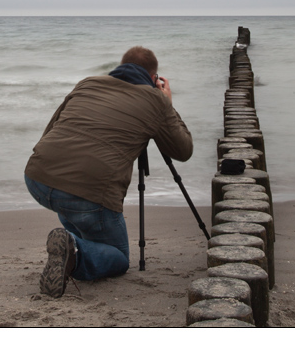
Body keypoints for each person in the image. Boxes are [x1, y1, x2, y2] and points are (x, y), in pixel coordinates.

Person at [24, 46, 193, 297]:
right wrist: (167, 102)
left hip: (37, 178)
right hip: (89, 195)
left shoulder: (88, 83)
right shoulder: (156, 100)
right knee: (119, 258)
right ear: (154, 78)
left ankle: (71, 241)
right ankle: (75, 254)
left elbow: (50, 130)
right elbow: (183, 150)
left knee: (74, 204)